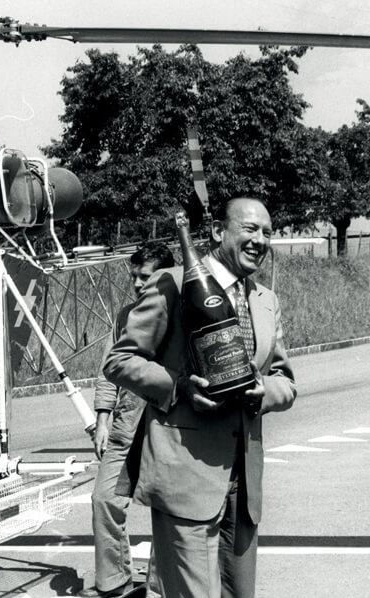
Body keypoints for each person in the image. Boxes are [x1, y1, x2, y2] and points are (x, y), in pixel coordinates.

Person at [103, 198, 296, 598]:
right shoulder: (172, 284)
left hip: (243, 482)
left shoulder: (266, 299)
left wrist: (264, 392)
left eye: (267, 232)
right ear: (217, 232)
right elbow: (119, 360)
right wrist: (178, 387)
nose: (260, 240)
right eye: (250, 229)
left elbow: (285, 380)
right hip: (185, 477)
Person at [79, 243, 175, 598]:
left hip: (168, 427)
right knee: (104, 499)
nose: (136, 283)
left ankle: (161, 587)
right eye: (133, 276)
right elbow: (109, 370)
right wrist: (102, 419)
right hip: (126, 426)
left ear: (165, 276)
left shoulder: (182, 316)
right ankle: (114, 581)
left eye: (144, 277)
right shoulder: (125, 317)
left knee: (167, 509)